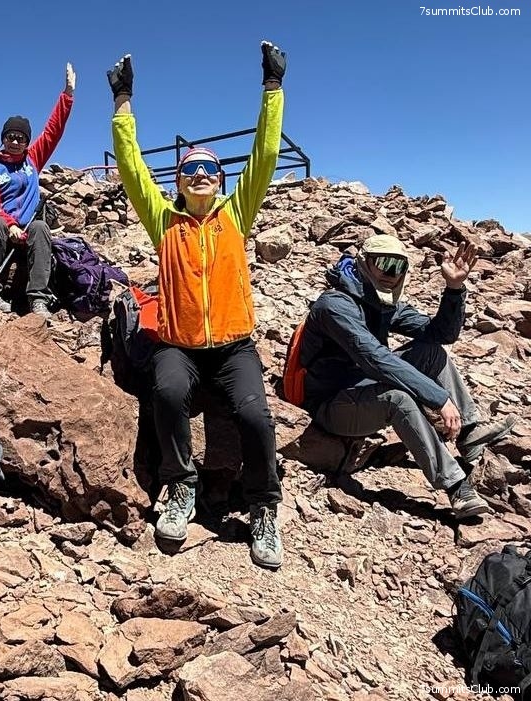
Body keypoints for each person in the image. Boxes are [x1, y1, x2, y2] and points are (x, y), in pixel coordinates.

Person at [109, 44, 287, 569]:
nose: (202, 174)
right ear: (179, 182)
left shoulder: (236, 214)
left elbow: (265, 156)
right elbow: (131, 167)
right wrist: (122, 102)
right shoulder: (163, 220)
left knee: (255, 415)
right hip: (178, 345)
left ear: (222, 180)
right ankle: (181, 486)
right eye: (191, 169)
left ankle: (263, 507)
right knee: (166, 393)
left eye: (210, 168)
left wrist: (272, 88)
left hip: (233, 346)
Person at [296, 235, 516, 519]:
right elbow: (375, 358)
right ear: (363, 263)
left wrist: (454, 289)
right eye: (383, 263)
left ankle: (469, 434)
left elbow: (440, 334)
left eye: (399, 266)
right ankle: (456, 486)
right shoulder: (335, 306)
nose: (391, 273)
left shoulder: (381, 302)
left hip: (363, 387)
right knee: (397, 399)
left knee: (431, 353)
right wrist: (439, 399)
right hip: (331, 404)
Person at [0, 63, 76, 319]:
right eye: (10, 136)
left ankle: (38, 298)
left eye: (21, 138)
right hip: (5, 230)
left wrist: (67, 95)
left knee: (41, 227)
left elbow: (53, 131)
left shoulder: (33, 159)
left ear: (27, 142)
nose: (15, 141)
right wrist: (10, 225)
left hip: (29, 229)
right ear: (3, 138)